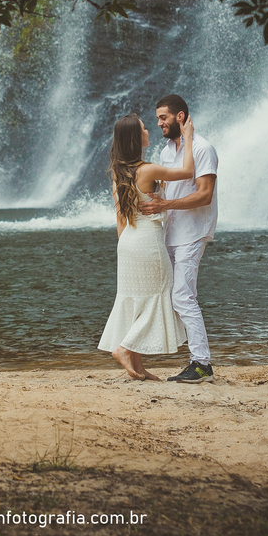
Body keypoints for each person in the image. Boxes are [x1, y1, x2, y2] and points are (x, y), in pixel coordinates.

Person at [98, 113, 194, 380]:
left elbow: (120, 217)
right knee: (159, 296)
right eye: (143, 128)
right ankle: (125, 348)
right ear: (135, 137)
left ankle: (138, 367)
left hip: (127, 242)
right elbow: (188, 172)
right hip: (148, 242)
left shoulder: (119, 172)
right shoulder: (148, 170)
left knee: (137, 302)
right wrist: (187, 137)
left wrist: (124, 248)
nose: (148, 130)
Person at [138, 94, 219, 384]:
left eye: (163, 117)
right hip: (171, 233)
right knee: (172, 296)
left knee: (183, 296)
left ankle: (202, 363)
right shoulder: (165, 152)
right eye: (157, 118)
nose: (159, 123)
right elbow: (167, 193)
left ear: (180, 117)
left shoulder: (202, 148)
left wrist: (166, 204)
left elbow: (204, 195)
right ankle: (189, 357)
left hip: (193, 233)